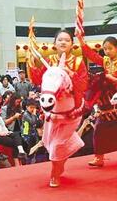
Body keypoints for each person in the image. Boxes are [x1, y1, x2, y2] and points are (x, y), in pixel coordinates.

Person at [29, 29, 88, 187]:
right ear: (54, 44)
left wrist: (70, 74)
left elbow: (83, 85)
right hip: (52, 113)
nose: (63, 42)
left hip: (71, 113)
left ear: (72, 44)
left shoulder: (78, 62)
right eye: (60, 40)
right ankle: (59, 166)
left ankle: (55, 173)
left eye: (67, 40)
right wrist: (32, 62)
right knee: (52, 144)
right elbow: (37, 80)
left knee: (57, 145)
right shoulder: (50, 61)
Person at [79, 35, 117, 167]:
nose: (107, 51)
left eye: (110, 48)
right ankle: (99, 158)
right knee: (99, 130)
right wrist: (80, 40)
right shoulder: (105, 61)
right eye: (105, 49)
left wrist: (116, 80)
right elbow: (92, 55)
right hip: (106, 102)